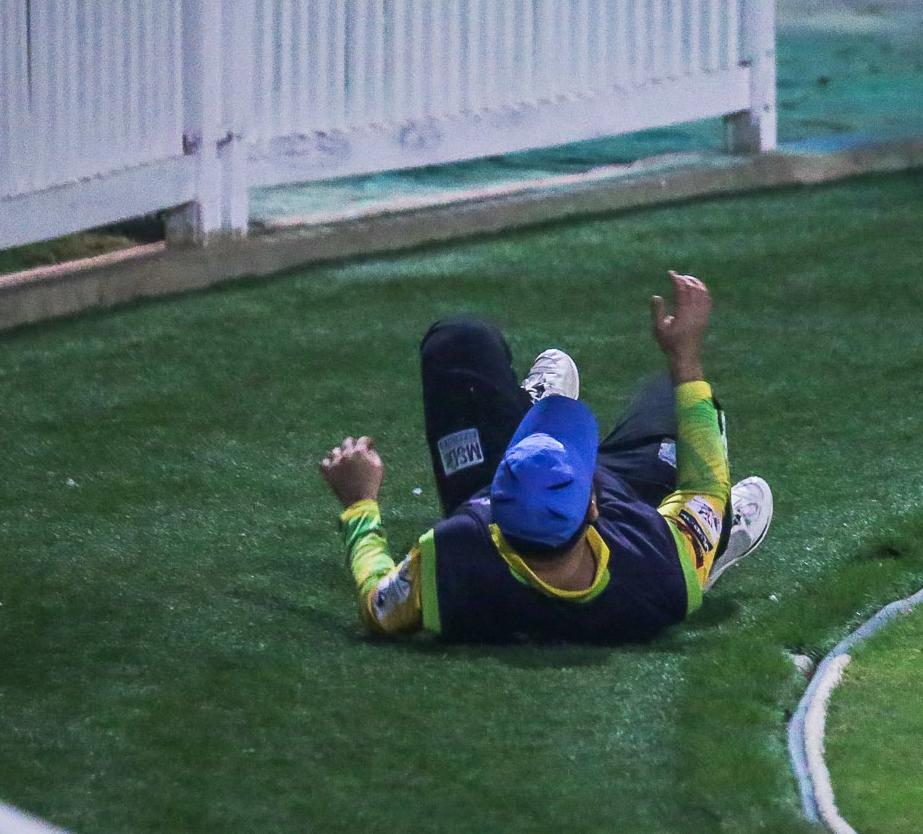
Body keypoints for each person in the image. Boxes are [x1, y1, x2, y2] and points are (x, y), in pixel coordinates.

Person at [317, 271, 773, 643]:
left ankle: (527, 413)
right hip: (630, 496)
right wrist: (685, 359)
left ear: (493, 509)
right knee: (683, 409)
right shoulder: (660, 566)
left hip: (525, 499)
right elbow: (705, 485)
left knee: (457, 340)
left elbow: (377, 603)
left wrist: (360, 502)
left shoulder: (452, 553)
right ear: (593, 506)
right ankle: (714, 545)